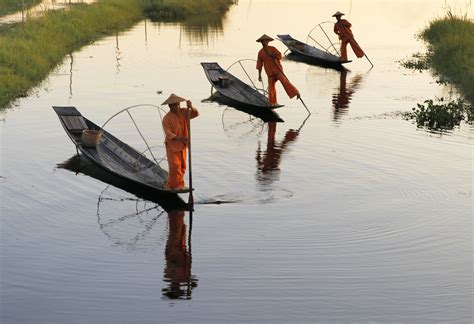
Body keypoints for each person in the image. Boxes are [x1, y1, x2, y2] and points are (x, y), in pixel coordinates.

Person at [161, 93, 199, 190]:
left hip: (183, 144)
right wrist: (179, 138)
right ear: (170, 106)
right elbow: (168, 134)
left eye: (178, 104)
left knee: (182, 166)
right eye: (174, 105)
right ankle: (171, 186)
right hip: (172, 146)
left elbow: (195, 114)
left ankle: (179, 185)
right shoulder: (166, 119)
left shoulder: (184, 112)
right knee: (174, 166)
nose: (177, 107)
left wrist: (191, 107)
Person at [256, 34, 300, 106]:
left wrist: (272, 55)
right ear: (261, 42)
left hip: (277, 69)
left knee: (284, 81)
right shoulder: (260, 52)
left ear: (268, 42)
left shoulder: (272, 49)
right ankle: (272, 103)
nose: (265, 42)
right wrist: (259, 75)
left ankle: (296, 93)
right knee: (271, 88)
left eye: (266, 41)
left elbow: (279, 56)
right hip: (269, 72)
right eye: (263, 41)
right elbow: (259, 64)